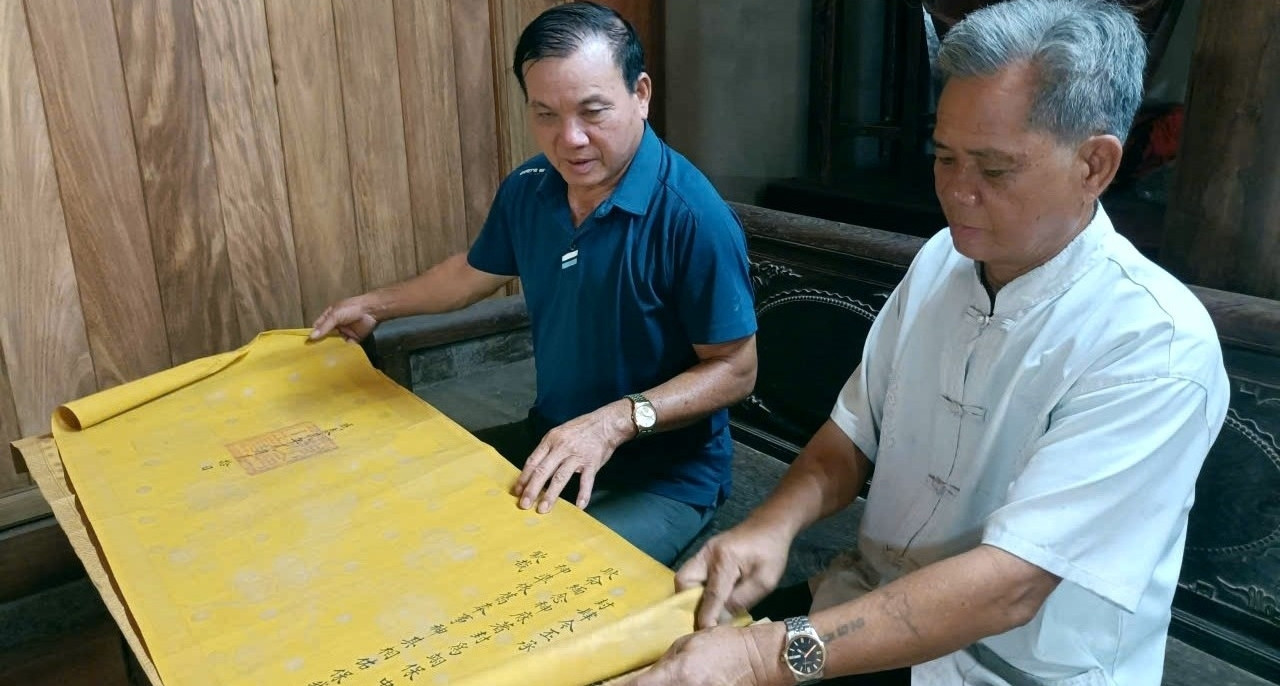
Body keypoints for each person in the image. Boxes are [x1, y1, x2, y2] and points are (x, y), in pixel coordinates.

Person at [631, 0, 1228, 684]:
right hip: (865, 616)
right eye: (944, 156)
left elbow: (1010, 585)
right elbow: (853, 435)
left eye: (994, 169)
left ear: (1095, 164)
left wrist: (760, 656)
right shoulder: (942, 261)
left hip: (1012, 671)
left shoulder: (1156, 345)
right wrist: (770, 525)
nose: (956, 192)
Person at [309, 2, 757, 568]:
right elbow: (473, 273)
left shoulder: (691, 217)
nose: (569, 139)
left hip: (664, 479)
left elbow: (737, 369)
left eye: (593, 111)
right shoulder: (530, 187)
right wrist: (376, 305)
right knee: (401, 504)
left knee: (529, 573)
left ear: (640, 94)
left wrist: (614, 422)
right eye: (545, 113)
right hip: (551, 440)